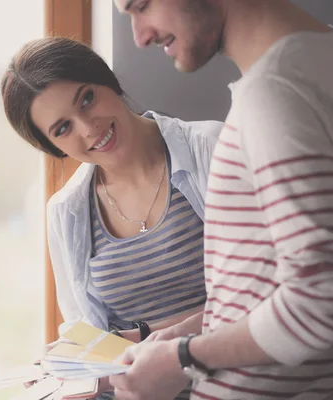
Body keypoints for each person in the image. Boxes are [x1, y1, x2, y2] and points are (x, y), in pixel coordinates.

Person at [109, 1, 333, 399]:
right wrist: (185, 333)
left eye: (140, 6)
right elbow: (274, 287)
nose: (140, 36)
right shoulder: (312, 62)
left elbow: (319, 304)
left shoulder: (274, 92)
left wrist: (182, 357)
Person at [1, 36, 222, 399]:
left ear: (107, 81)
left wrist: (141, 339)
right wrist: (73, 367)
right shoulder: (66, 213)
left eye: (86, 99)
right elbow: (91, 339)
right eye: (63, 128)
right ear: (52, 147)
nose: (89, 128)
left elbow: (261, 293)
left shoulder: (212, 150)